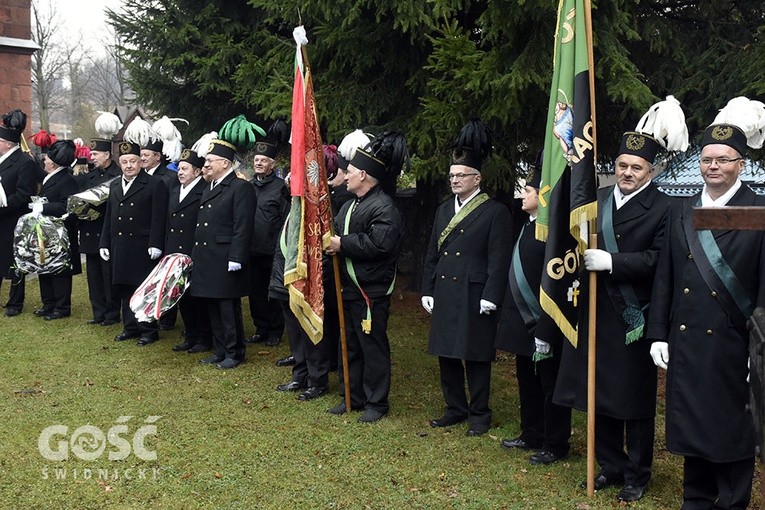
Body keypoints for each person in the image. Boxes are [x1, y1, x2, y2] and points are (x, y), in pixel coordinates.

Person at [554, 96, 687, 502]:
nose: (627, 173)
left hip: (635, 317)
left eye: (636, 167)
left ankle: (637, 473)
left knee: (635, 402)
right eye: (622, 166)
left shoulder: (666, 207)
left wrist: (612, 260)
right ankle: (609, 466)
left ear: (651, 170)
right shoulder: (600, 201)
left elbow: (658, 261)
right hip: (598, 313)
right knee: (601, 396)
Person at [646, 97, 765, 510]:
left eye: (723, 159)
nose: (713, 166)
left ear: (741, 164)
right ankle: (695, 500)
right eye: (706, 159)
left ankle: (731, 502)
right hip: (688, 340)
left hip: (736, 344)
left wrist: (761, 348)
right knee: (694, 425)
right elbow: (667, 274)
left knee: (732, 429)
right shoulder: (683, 210)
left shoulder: (758, 211)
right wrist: (657, 331)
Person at [421, 119, 512, 437]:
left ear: (477, 178)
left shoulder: (495, 212)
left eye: (461, 176)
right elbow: (432, 252)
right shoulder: (444, 210)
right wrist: (427, 288)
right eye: (452, 176)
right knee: (446, 352)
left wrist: (492, 294)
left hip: (475, 293)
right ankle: (454, 408)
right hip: (446, 289)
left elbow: (499, 260)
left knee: (475, 355)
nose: (455, 180)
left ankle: (480, 415)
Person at [325, 131, 407, 423]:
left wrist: (342, 245)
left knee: (371, 345)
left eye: (348, 172)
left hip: (370, 290)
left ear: (364, 174)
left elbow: (379, 245)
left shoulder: (385, 207)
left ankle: (377, 402)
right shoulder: (349, 205)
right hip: (348, 286)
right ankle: (352, 395)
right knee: (348, 343)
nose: (344, 176)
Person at [496, 154, 571, 464]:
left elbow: (556, 284)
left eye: (527, 190)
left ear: (543, 195)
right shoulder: (529, 226)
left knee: (550, 385)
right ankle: (531, 433)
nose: (522, 195)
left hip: (544, 322)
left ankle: (555, 443)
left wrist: (547, 328)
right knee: (526, 379)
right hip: (522, 322)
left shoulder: (555, 234)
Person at [189, 136, 255, 369]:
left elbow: (243, 226)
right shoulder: (211, 186)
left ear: (225, 163)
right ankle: (220, 349)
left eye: (210, 161)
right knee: (212, 305)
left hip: (226, 257)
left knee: (227, 307)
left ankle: (235, 351)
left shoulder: (240, 187)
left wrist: (237, 257)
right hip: (209, 257)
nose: (206, 165)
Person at [100, 138, 168, 346]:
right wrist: (104, 242)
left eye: (133, 161)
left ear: (141, 162)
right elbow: (109, 216)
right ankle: (130, 327)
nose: (129, 166)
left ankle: (148, 330)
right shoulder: (114, 185)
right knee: (123, 287)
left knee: (143, 288)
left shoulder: (155, 184)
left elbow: (160, 217)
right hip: (119, 244)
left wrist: (156, 243)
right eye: (125, 162)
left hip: (142, 245)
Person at [247, 120, 289, 347]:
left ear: (272, 164)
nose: (259, 164)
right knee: (255, 292)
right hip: (251, 248)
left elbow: (284, 218)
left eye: (264, 161)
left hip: (271, 249)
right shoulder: (248, 187)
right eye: (256, 160)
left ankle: (275, 331)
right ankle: (260, 328)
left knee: (272, 293)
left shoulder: (281, 187)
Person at [165, 148, 211, 353]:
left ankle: (204, 338)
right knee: (181, 296)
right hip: (175, 252)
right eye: (179, 169)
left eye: (185, 169)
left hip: (194, 251)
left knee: (197, 297)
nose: (180, 172)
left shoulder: (204, 191)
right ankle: (190, 335)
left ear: (197, 171)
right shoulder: (175, 190)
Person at [78, 112, 122, 326]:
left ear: (107, 155)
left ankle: (112, 314)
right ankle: (98, 312)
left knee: (108, 276)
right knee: (93, 276)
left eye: (95, 154)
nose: (92, 157)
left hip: (107, 231)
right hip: (90, 229)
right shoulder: (90, 176)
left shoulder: (117, 175)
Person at [34, 140, 82, 320]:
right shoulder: (51, 177)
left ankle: (62, 307)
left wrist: (44, 208)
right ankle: (48, 303)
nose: (43, 161)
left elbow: (67, 205)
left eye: (45, 159)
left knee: (59, 269)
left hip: (60, 232)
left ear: (52, 162)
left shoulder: (67, 179)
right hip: (46, 230)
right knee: (44, 266)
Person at [0, 109, 38, 317]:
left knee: (15, 261)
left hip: (13, 219)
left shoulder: (24, 162)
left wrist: (4, 206)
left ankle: (15, 302)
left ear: (8, 143)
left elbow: (24, 193)